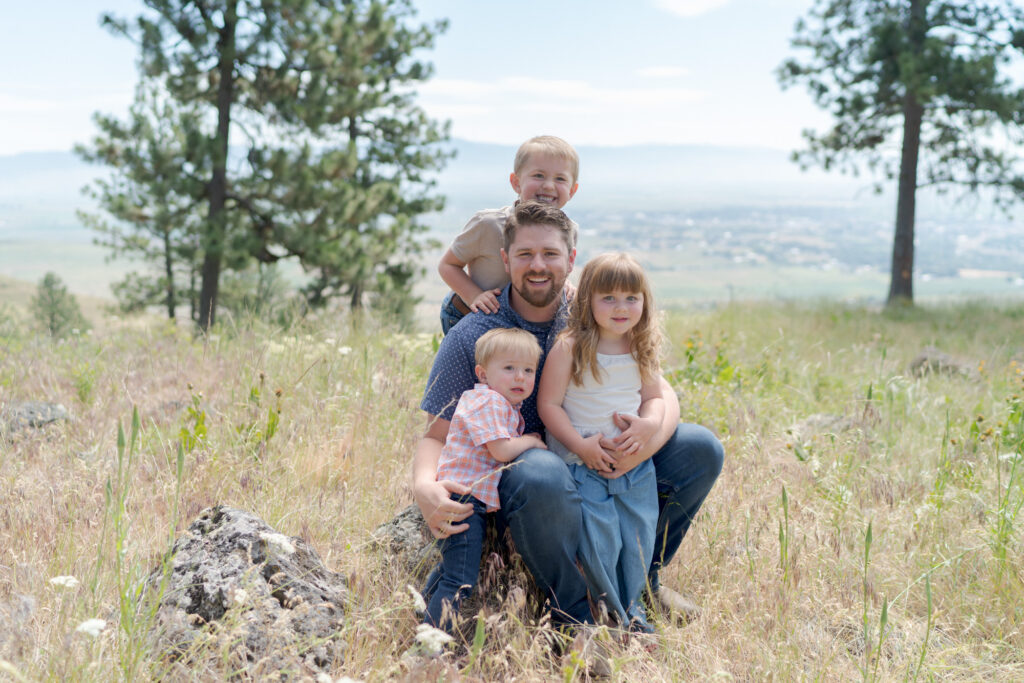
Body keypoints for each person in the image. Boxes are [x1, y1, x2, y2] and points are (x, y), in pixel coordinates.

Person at [414, 201, 723, 634]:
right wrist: (423, 486)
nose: (537, 266)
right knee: (543, 471)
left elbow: (657, 389)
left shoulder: (592, 313)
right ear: (505, 259)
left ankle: (639, 581)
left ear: (570, 260)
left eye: (550, 254)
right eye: (524, 255)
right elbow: (437, 432)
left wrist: (646, 438)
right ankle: (573, 612)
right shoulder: (475, 333)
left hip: (603, 461)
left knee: (699, 448)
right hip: (527, 488)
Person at [537, 253, 663, 634]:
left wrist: (649, 426)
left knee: (638, 534)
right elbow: (549, 404)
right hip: (583, 460)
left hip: (633, 461)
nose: (622, 307)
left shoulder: (640, 346)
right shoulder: (571, 346)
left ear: (644, 301)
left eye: (631, 298)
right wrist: (581, 445)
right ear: (587, 300)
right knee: (600, 538)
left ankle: (635, 607)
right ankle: (613, 616)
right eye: (608, 298)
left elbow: (654, 397)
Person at [421, 328, 546, 633]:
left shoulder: (500, 404)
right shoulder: (488, 402)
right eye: (509, 368)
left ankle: (420, 615)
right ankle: (428, 647)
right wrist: (532, 441)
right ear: (483, 374)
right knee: (460, 579)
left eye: (528, 370)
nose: (520, 377)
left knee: (451, 566)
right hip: (462, 499)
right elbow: (501, 450)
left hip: (466, 497)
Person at [437, 135, 579, 334]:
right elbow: (448, 265)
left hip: (516, 318)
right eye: (538, 175)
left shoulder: (568, 230)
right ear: (516, 182)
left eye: (560, 178)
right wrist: (475, 296)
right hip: (469, 311)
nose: (548, 185)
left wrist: (565, 283)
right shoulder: (488, 224)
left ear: (572, 190)